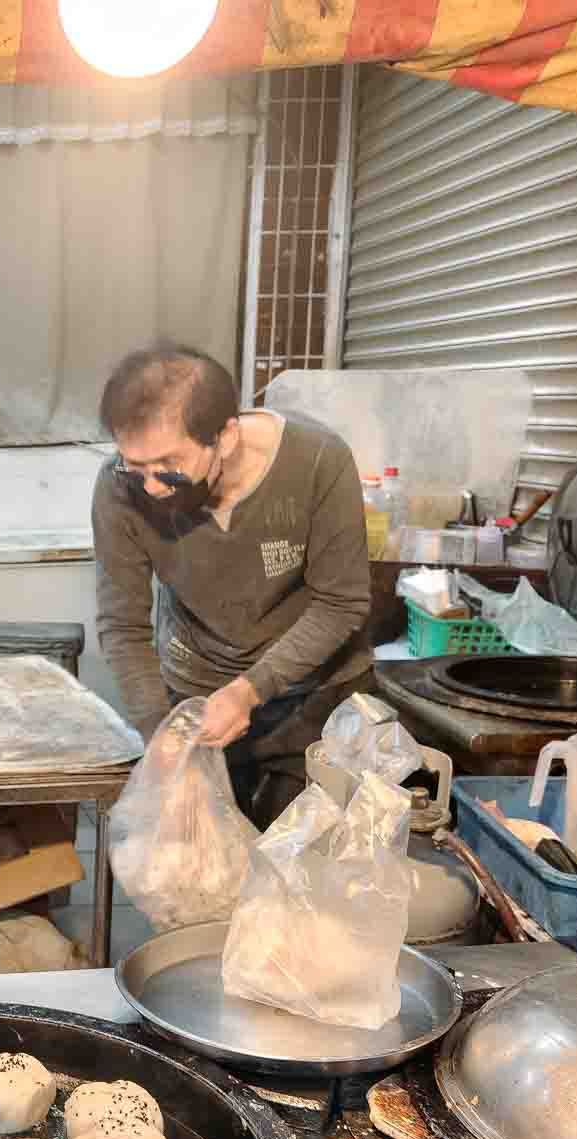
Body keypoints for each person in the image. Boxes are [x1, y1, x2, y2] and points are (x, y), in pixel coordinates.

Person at [91, 345, 372, 828]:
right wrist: (161, 733)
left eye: (167, 465)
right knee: (202, 876)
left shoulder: (318, 462)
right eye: (134, 465)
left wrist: (249, 691)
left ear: (225, 436)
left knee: (307, 879)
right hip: (200, 697)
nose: (151, 486)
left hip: (315, 697)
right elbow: (123, 625)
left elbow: (340, 603)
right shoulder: (120, 488)